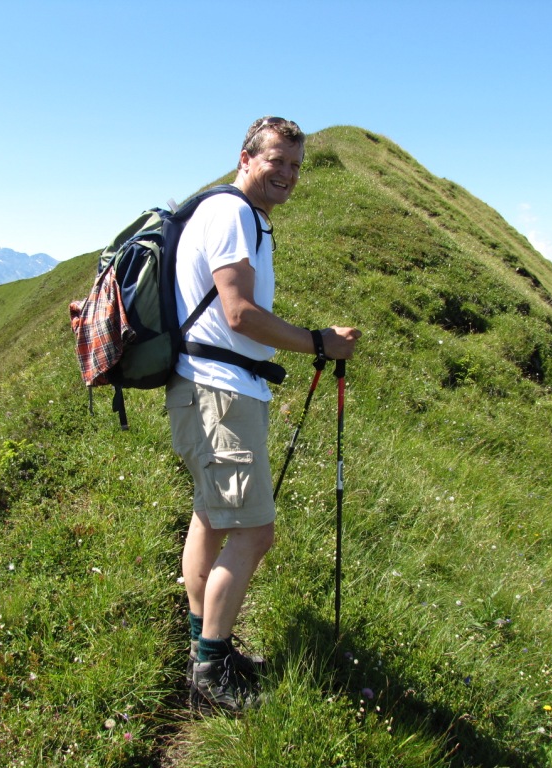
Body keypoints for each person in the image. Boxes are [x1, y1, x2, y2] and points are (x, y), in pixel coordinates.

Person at [165, 116, 361, 713]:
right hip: (220, 392)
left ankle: (206, 645)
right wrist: (318, 342)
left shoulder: (235, 214)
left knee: (211, 518)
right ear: (246, 158)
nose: (289, 174)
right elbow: (239, 314)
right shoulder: (233, 214)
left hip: (206, 388)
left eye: (297, 165)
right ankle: (210, 671)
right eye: (277, 160)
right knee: (254, 531)